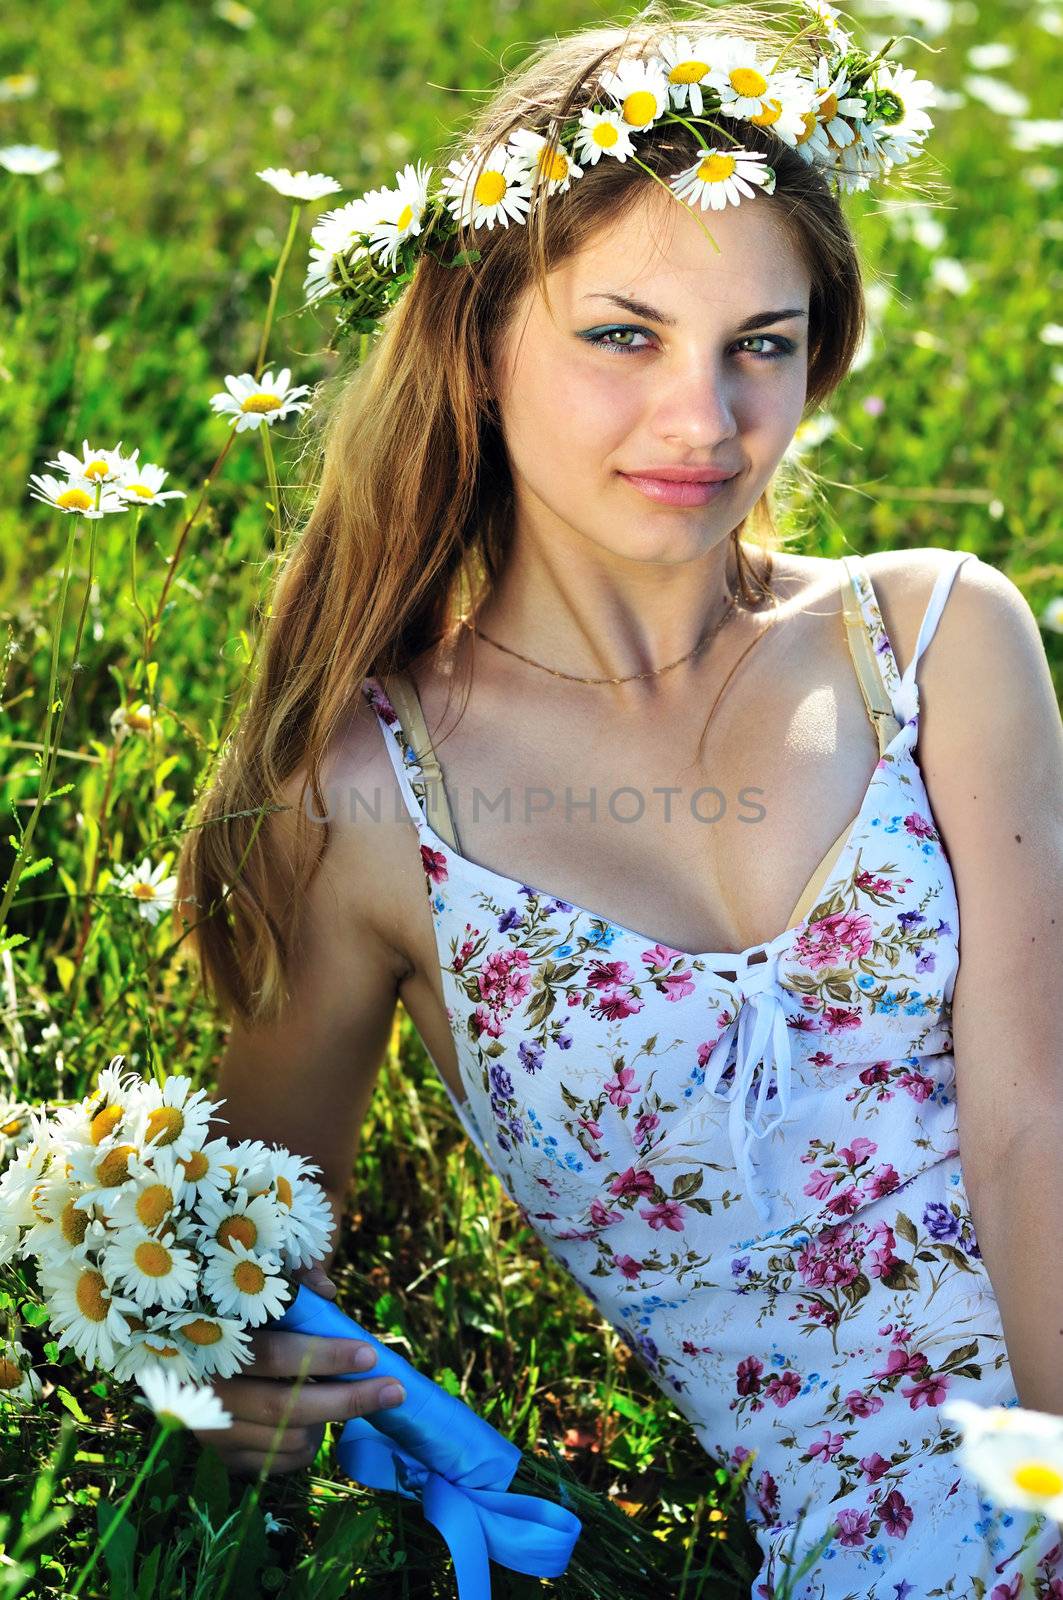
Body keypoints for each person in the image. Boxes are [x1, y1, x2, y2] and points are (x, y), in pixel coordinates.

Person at [176, 3, 1063, 1594]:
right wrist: (223, 1382)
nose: (704, 422)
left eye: (761, 346)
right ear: (480, 337)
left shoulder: (931, 640)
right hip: (873, 1532)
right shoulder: (376, 802)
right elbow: (233, 1275)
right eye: (623, 333)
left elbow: (1034, 1128)